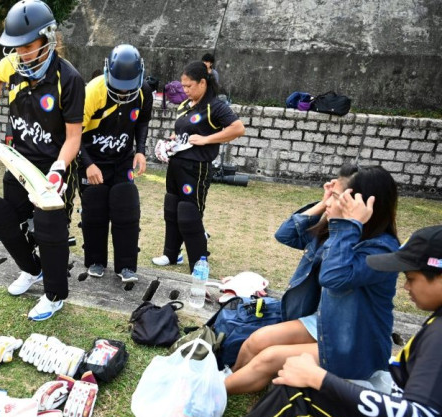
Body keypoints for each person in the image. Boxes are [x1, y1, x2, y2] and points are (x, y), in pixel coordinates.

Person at [142, 224, 442, 417]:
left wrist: (321, 379)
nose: (405, 286)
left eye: (412, 277)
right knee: (297, 385)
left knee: (303, 395)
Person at [225, 166, 400, 394]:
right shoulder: (338, 230)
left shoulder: (382, 249)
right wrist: (323, 202)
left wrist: (346, 225)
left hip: (358, 343)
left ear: (361, 204)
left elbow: (333, 277)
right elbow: (285, 234)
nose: (330, 203)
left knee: (269, 358)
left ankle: (210, 393)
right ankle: (231, 381)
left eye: (336, 197)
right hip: (328, 322)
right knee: (257, 340)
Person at [0, 0, 84, 321]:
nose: (22, 54)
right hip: (18, 161)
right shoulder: (15, 66)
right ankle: (31, 271)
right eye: (16, 48)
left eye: (28, 46)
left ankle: (55, 295)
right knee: (2, 217)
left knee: (50, 230)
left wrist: (60, 169)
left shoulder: (69, 79)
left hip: (54, 169)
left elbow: (74, 137)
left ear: (48, 38)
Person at [152, 61, 244, 272]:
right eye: (183, 86)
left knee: (188, 213)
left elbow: (238, 129)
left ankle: (198, 262)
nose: (185, 90)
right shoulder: (186, 105)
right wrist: (169, 143)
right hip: (176, 165)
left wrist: (206, 139)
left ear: (202, 82)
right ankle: (171, 254)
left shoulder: (215, 106)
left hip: (197, 168)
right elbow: (181, 132)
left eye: (189, 86)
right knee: (171, 208)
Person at [78, 44, 152, 283]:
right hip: (92, 160)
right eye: (118, 88)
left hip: (121, 161)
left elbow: (141, 122)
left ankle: (127, 266)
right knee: (95, 209)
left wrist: (140, 151)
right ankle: (96, 261)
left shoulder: (144, 92)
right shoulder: (92, 92)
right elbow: (72, 134)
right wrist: (88, 163)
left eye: (127, 89)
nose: (123, 94)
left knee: (126, 207)